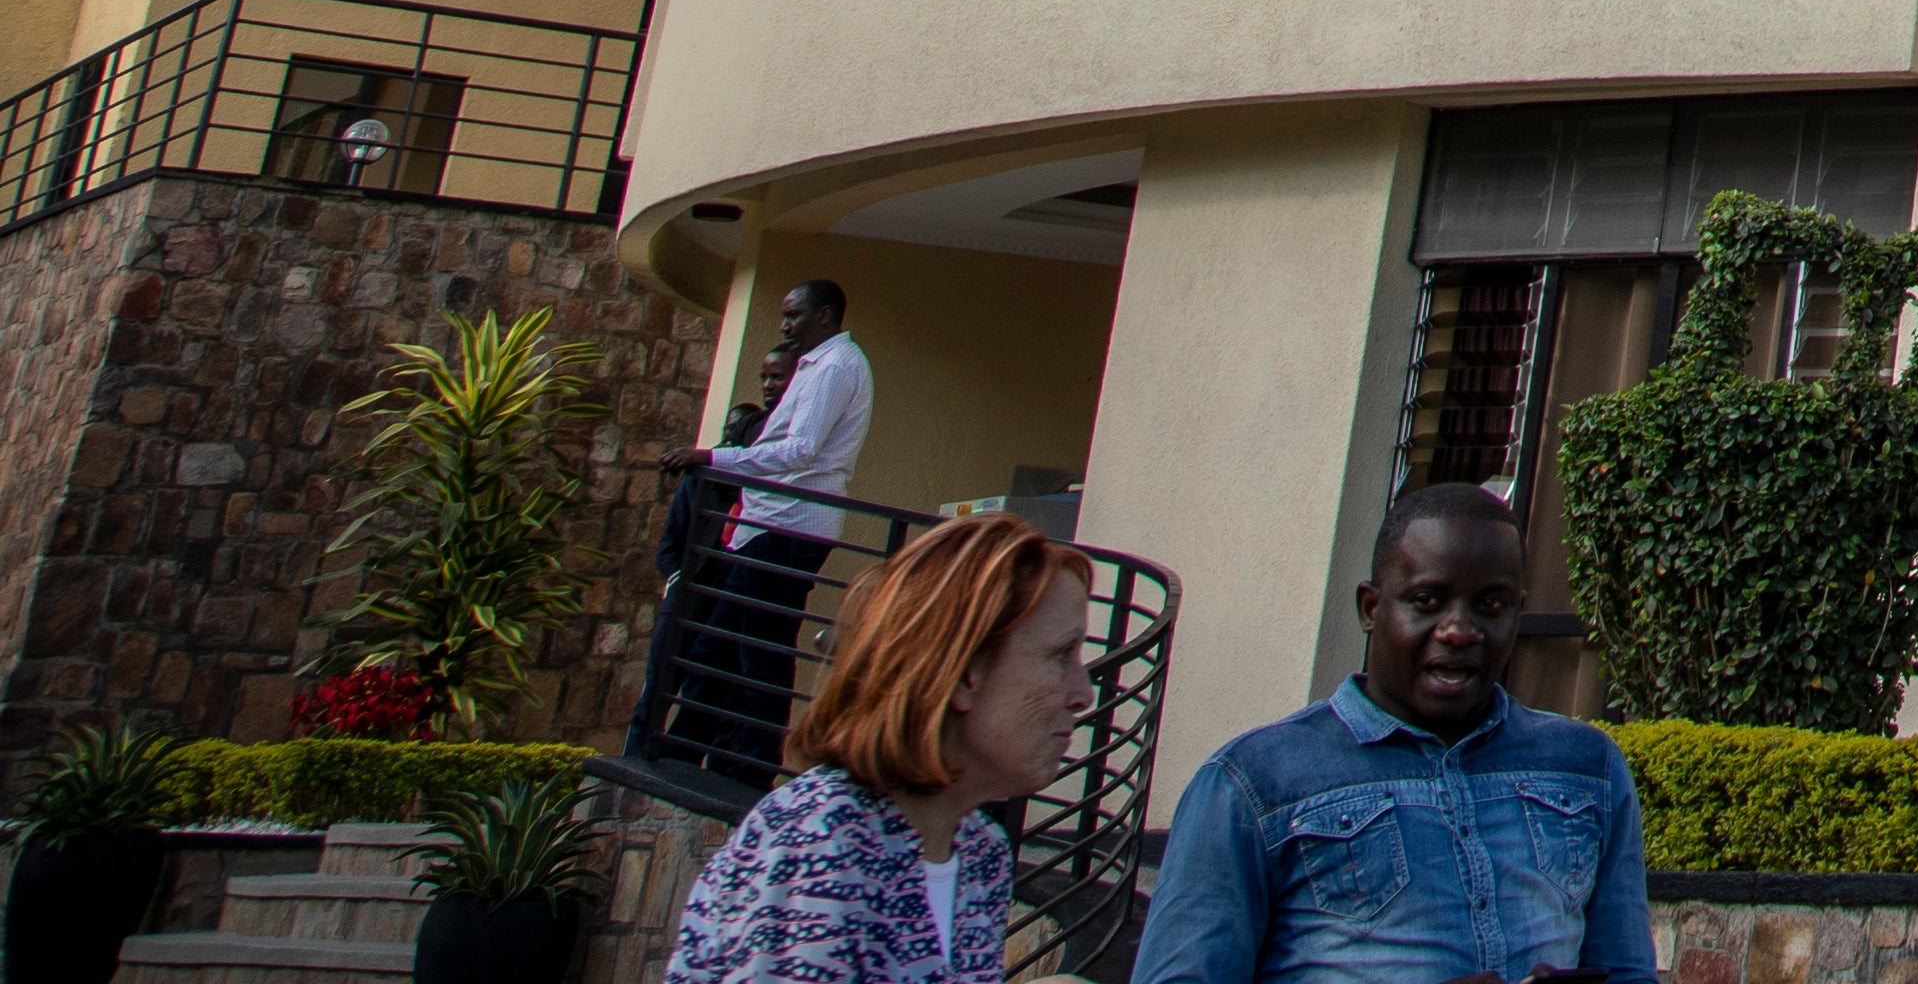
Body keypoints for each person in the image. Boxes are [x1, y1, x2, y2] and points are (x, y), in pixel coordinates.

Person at [1129, 484, 1657, 984]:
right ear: (1371, 608)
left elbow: (1627, 972)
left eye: (1490, 606)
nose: (1459, 630)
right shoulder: (1253, 785)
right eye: (1427, 601)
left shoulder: (1588, 768)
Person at [656, 507, 1095, 984]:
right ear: (965, 670)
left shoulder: (977, 852)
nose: (1083, 693)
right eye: (1060, 655)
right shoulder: (823, 839)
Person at [663, 282, 875, 769]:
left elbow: (801, 449)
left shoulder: (836, 366)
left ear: (824, 316)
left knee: (760, 654)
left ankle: (748, 768)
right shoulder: (816, 365)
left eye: (794, 315)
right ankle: (681, 753)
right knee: (717, 648)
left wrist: (715, 456)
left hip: (791, 528)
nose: (785, 325)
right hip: (766, 525)